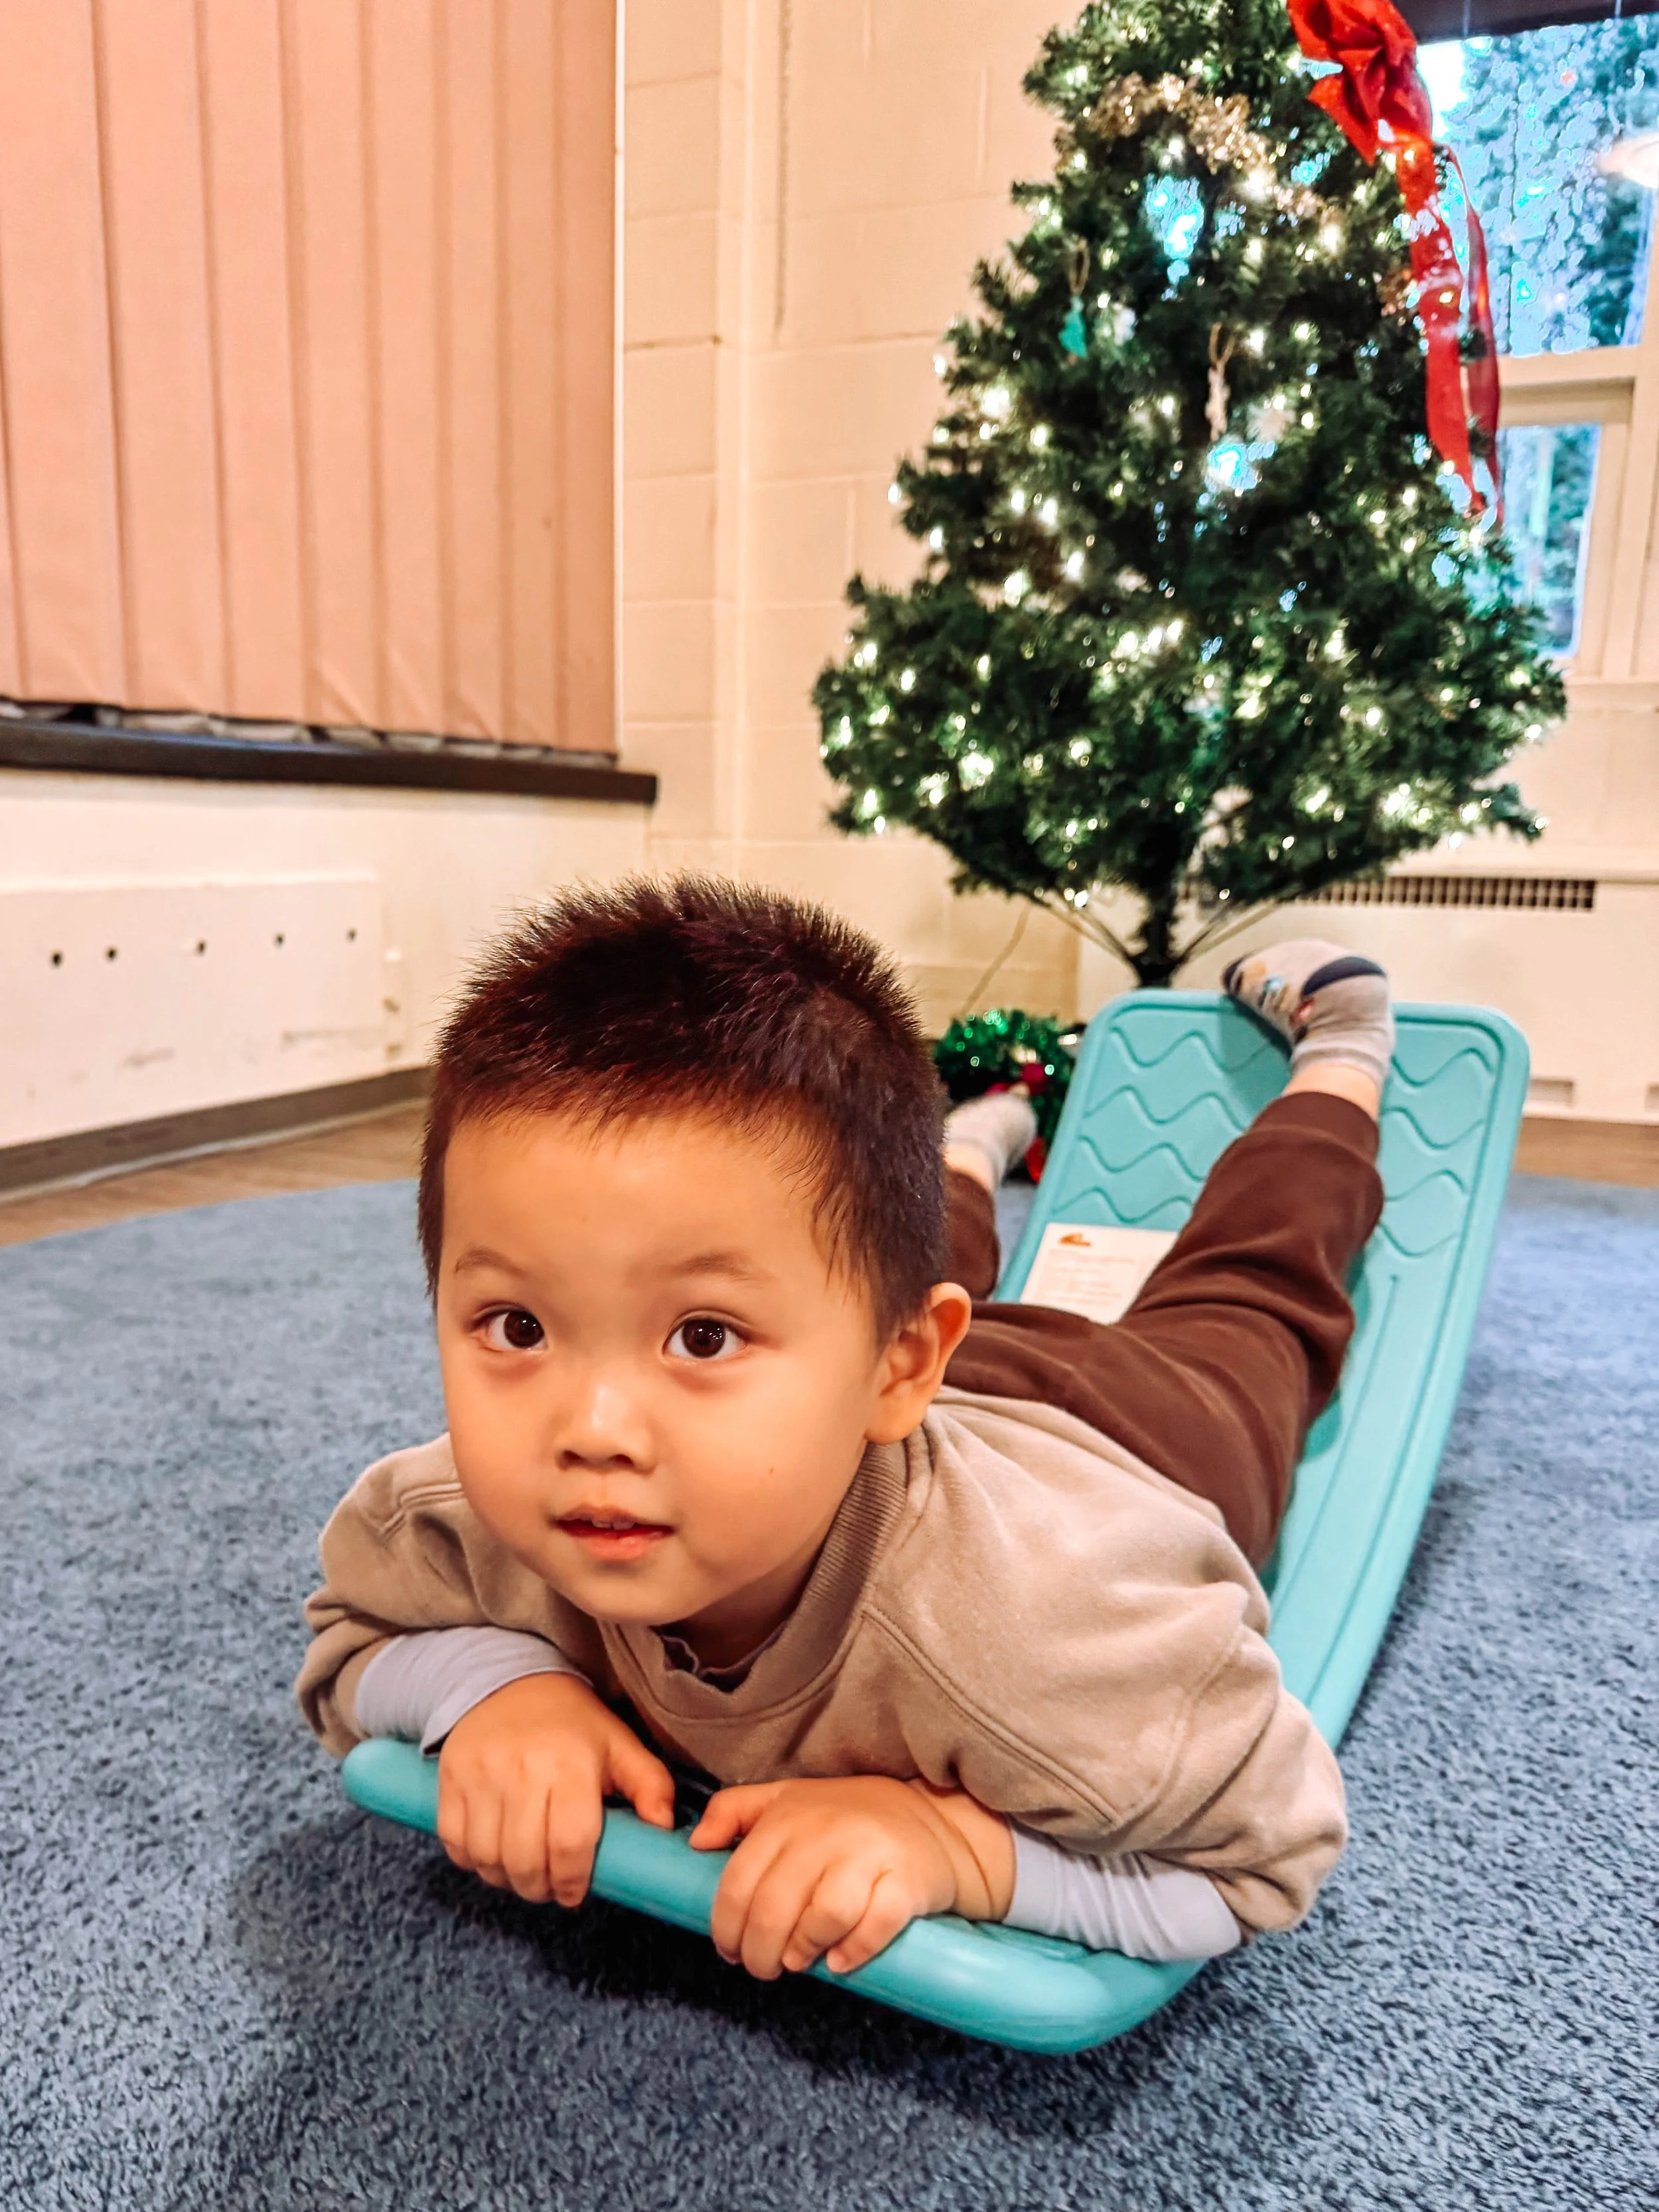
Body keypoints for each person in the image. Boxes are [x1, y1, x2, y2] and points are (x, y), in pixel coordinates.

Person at [297, 879, 1391, 1982]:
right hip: (866, 1399)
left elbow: (1270, 1852)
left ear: (906, 1369)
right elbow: (351, 1646)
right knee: (846, 1262)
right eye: (518, 1326)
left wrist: (957, 1847)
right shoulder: (461, 1521)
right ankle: (966, 1153)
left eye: (704, 1337)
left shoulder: (1046, 1635)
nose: (593, 1432)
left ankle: (1343, 1055)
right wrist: (493, 1691)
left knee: (1250, 1297)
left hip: (1126, 1423)